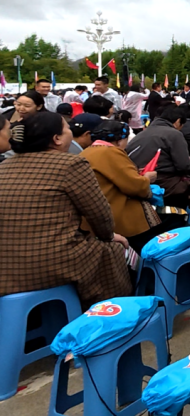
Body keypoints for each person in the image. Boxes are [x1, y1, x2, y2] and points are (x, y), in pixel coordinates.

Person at [0, 112, 132, 308]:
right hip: (50, 263)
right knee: (112, 251)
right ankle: (111, 314)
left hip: (6, 267)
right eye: (67, 128)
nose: (71, 131)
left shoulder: (5, 166)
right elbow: (100, 215)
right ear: (57, 139)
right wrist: (108, 236)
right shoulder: (70, 164)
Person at [81, 119, 162, 253]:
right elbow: (136, 186)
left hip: (94, 217)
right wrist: (147, 178)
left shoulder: (87, 152)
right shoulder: (111, 152)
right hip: (117, 217)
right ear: (119, 140)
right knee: (150, 248)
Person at [125, 105, 190, 209]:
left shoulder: (141, 134)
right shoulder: (174, 134)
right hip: (162, 182)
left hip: (136, 179)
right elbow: (183, 166)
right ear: (178, 121)